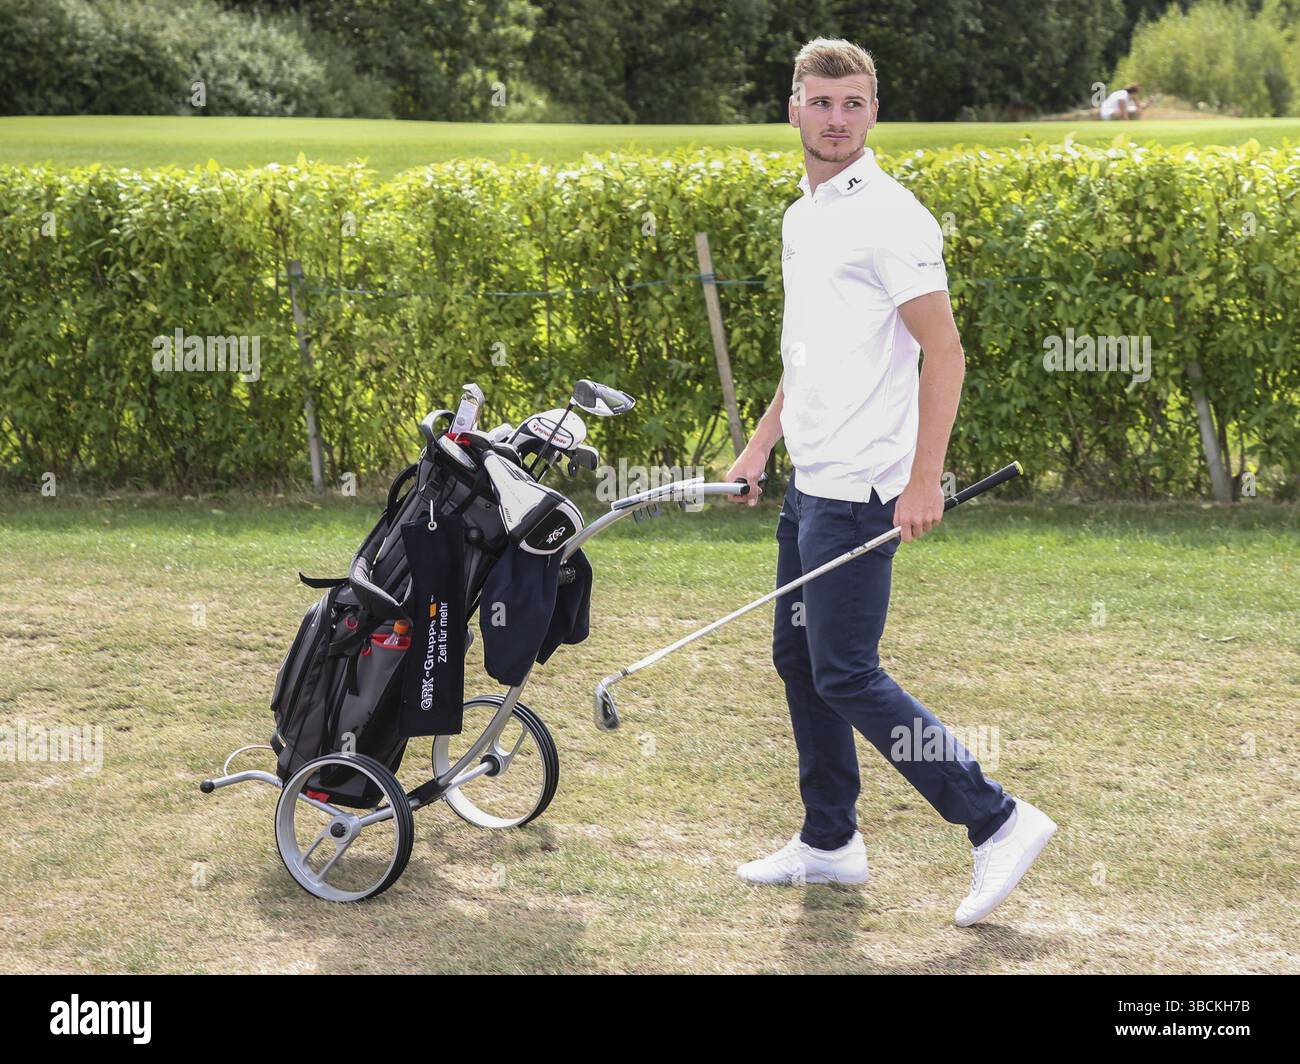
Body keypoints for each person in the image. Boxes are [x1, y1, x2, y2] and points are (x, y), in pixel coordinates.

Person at [724, 37, 1056, 927]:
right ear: (793, 107)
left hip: (864, 489)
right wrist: (761, 446)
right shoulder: (804, 214)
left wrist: (924, 479)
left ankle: (997, 818)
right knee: (800, 660)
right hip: (809, 481)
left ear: (874, 113)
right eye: (822, 102)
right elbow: (810, 356)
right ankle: (830, 843)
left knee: (848, 671)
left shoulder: (893, 217)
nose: (837, 120)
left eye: (855, 104)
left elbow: (944, 353)